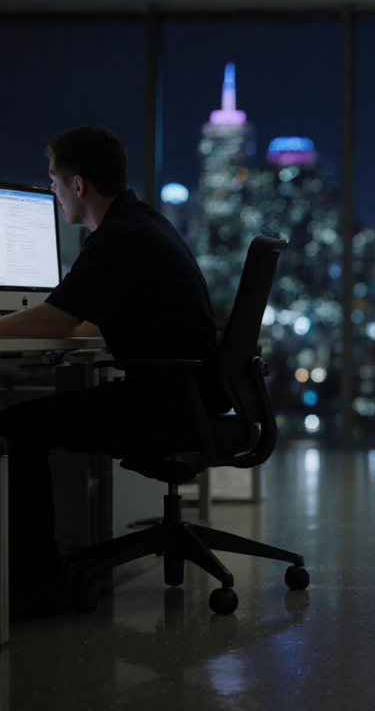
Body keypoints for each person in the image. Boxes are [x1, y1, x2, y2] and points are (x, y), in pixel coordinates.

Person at [0, 126, 229, 619]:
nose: (54, 192)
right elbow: (83, 320)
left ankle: (37, 585)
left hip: (167, 402)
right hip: (184, 393)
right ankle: (43, 571)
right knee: (35, 421)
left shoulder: (118, 237)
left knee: (18, 426)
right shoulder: (142, 224)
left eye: (54, 182)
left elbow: (58, 319)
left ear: (77, 185)